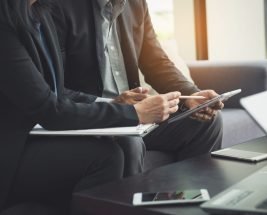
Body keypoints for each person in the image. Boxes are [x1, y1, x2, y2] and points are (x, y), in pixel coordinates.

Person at [0, 0, 181, 214]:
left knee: (118, 148)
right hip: (13, 147)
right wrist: (132, 114)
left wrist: (115, 104)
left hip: (39, 132)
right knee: (106, 156)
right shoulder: (5, 26)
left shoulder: (41, 14)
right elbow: (48, 109)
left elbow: (59, 92)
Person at [52, 0, 224, 176]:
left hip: (137, 116)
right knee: (129, 142)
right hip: (94, 116)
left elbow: (156, 64)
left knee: (207, 122)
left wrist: (192, 94)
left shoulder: (136, 4)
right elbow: (54, 88)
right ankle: (126, 203)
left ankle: (192, 198)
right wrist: (114, 105)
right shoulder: (60, 6)